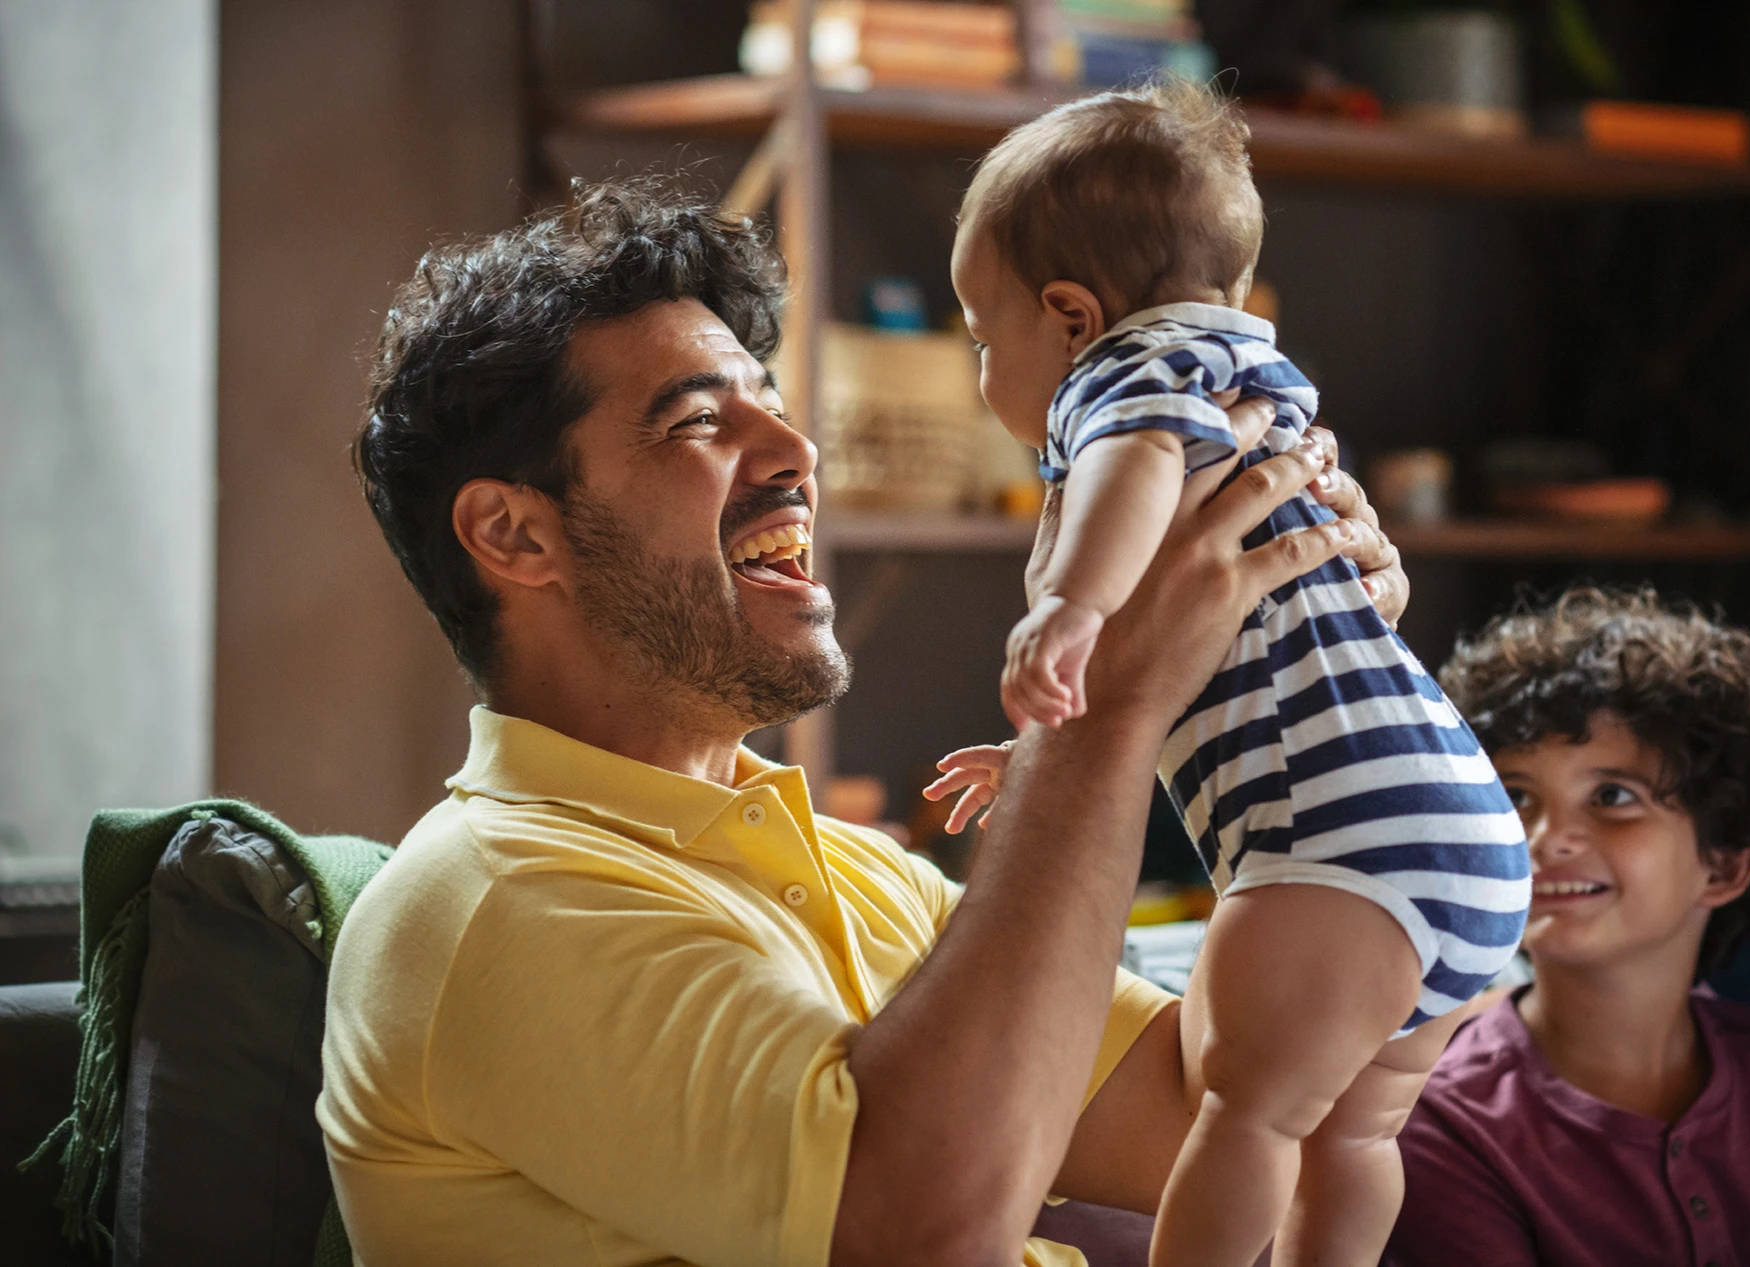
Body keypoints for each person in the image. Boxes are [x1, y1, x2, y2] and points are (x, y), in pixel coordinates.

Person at [315, 176, 1413, 1267]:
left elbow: (1238, 1112)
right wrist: (1106, 705)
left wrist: (1298, 652)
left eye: (772, 404)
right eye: (698, 420)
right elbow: (916, 1230)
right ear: (513, 535)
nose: (797, 454)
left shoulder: (859, 873)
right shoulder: (493, 902)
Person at [927, 78, 1528, 1267]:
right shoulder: (1255, 385)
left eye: (982, 340)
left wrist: (1068, 606)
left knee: (1244, 1113)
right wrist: (1048, 739)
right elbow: (1225, 674)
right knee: (1349, 1139)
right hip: (1459, 837)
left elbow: (1135, 464)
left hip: (1336, 854)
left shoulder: (1127, 385)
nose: (983, 371)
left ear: (1069, 316)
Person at [1387, 588, 1750, 1266]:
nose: (1546, 837)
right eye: (1513, 796)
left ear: (1725, 864)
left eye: (1612, 796)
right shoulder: (1444, 1117)